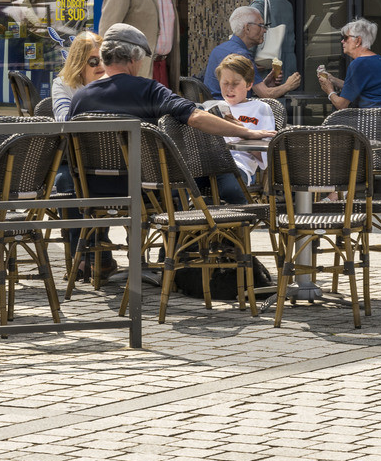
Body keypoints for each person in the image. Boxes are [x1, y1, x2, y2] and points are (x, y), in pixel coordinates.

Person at [65, 23, 268, 278]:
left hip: (94, 191)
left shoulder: (81, 98)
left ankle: (97, 259)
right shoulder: (147, 90)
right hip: (147, 192)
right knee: (203, 180)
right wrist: (246, 131)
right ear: (133, 59)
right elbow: (195, 116)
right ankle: (183, 260)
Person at [204, 54, 275, 203]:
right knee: (179, 186)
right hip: (206, 164)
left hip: (237, 166)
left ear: (249, 85)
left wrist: (241, 132)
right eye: (225, 83)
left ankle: (239, 219)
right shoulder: (213, 107)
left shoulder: (260, 108)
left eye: (235, 83)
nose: (229, 89)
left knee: (229, 188)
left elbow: (265, 157)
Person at [203, 6, 302, 99]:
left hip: (215, 109)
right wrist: (288, 85)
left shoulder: (219, 49)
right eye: (261, 25)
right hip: (231, 113)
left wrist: (264, 83)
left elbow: (235, 90)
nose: (264, 30)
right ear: (247, 28)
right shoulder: (242, 55)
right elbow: (266, 94)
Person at [317, 18, 381, 110]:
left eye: (346, 38)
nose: (342, 41)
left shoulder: (359, 64)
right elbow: (360, 87)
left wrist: (329, 90)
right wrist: (332, 79)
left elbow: (341, 105)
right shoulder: (378, 59)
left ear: (358, 41)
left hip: (372, 119)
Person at [250, 0, 297, 80]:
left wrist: (247, 62)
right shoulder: (286, 4)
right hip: (288, 63)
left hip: (266, 65)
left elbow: (250, 33)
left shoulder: (260, 4)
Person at [50, 31, 106, 121]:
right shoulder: (62, 84)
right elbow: (63, 120)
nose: (101, 65)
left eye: (104, 59)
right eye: (94, 61)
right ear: (79, 63)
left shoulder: (115, 83)